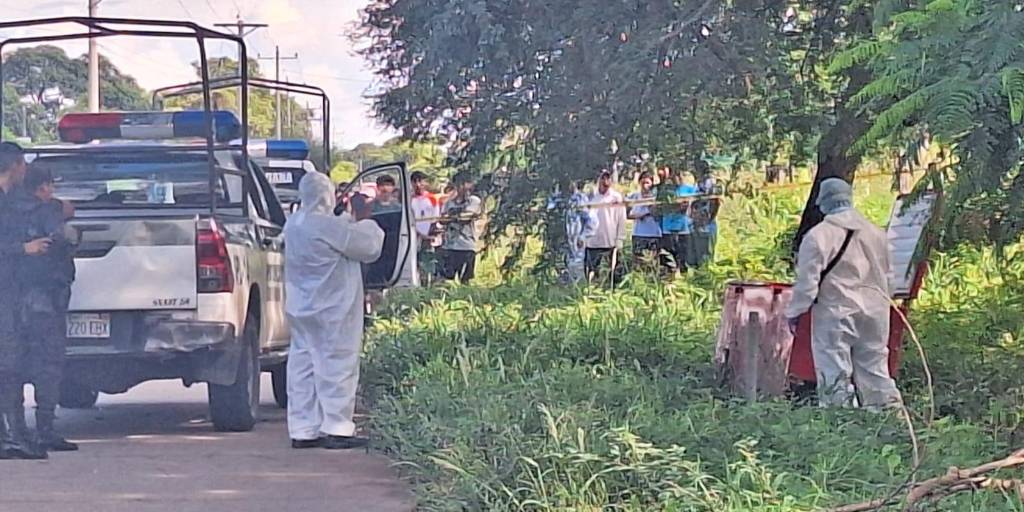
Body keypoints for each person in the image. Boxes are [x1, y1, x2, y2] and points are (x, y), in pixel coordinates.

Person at [283, 172, 385, 450]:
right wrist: (364, 218)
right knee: (337, 364)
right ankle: (337, 428)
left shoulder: (294, 223)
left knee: (303, 368)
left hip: (301, 307)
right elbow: (369, 247)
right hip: (332, 309)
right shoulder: (327, 225)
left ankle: (303, 429)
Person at [785, 178, 903, 410]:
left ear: (822, 201)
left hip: (835, 312)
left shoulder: (818, 236)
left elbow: (807, 283)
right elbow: (889, 276)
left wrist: (794, 313)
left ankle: (840, 420)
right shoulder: (877, 233)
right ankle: (888, 415)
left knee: (834, 371)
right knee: (875, 368)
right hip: (876, 312)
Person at [13, 167, 79, 452]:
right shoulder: (49, 211)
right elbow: (64, 237)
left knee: (12, 366)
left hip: (13, 298)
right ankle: (44, 429)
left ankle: (16, 430)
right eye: (50, 186)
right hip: (44, 298)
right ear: (42, 187)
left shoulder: (8, 206)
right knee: (48, 364)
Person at [0, 142, 50, 460]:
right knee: (6, 363)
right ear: (15, 165)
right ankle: (7, 436)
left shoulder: (11, 199)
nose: (25, 171)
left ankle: (14, 432)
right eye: (23, 165)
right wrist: (23, 249)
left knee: (12, 362)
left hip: (12, 290)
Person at [440, 172, 482, 283]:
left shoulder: (474, 201)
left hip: (466, 246)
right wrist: (450, 217)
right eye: (460, 184)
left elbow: (465, 217)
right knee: (446, 281)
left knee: (465, 281)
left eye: (467, 184)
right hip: (450, 246)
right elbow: (442, 220)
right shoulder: (449, 203)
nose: (464, 187)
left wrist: (451, 216)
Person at [585, 171, 626, 282]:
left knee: (613, 275)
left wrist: (620, 238)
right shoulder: (591, 197)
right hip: (593, 243)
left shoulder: (616, 197)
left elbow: (621, 218)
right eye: (603, 178)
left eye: (608, 178)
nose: (605, 181)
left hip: (610, 242)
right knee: (593, 274)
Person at [658, 168, 698, 273]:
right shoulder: (664, 190)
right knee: (669, 257)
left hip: (683, 228)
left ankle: (684, 277)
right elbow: (660, 207)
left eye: (677, 174)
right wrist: (676, 207)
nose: (675, 177)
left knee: (683, 256)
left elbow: (695, 202)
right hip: (667, 228)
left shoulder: (689, 189)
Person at [411, 171, 441, 284]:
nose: (418, 184)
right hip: (413, 237)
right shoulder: (409, 199)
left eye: (420, 181)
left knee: (428, 264)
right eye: (415, 181)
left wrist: (428, 236)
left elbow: (435, 219)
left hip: (427, 238)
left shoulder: (432, 199)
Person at [626, 170, 661, 267]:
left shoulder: (655, 197)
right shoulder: (634, 196)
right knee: (638, 263)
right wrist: (638, 215)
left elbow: (657, 215)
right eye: (643, 182)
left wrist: (649, 203)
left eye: (647, 183)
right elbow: (626, 214)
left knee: (653, 263)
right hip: (638, 234)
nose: (645, 185)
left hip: (653, 234)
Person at [690, 161, 720, 267]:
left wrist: (710, 218)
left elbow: (715, 201)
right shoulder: (698, 183)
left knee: (706, 255)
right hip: (697, 223)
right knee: (698, 255)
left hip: (706, 223)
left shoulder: (709, 182)